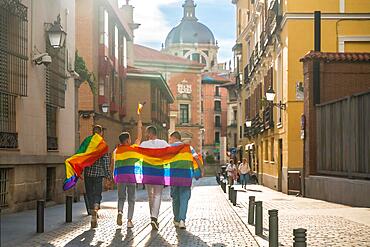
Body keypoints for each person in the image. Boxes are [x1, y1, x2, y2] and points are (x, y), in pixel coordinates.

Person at [169, 131, 204, 229]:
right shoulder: (188, 148)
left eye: (170, 139)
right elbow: (196, 158)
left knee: (175, 198)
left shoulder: (170, 148)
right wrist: (202, 170)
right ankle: (182, 220)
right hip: (185, 176)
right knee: (184, 198)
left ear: (174, 138)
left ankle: (176, 219)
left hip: (174, 176)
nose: (170, 141)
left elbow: (163, 160)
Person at [113, 114, 142, 228]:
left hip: (120, 177)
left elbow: (114, 163)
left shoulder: (117, 150)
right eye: (130, 138)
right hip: (131, 177)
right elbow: (139, 139)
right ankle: (129, 220)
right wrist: (139, 125)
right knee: (131, 199)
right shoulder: (133, 149)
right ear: (128, 140)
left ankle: (120, 211)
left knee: (121, 197)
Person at [139, 126, 169, 230]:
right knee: (158, 195)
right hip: (158, 172)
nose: (146, 135)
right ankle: (154, 217)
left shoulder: (143, 144)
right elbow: (171, 152)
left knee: (150, 196)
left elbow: (139, 156)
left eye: (147, 133)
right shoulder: (163, 143)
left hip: (147, 172)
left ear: (150, 133)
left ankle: (152, 215)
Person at [84, 125, 113, 228]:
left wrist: (78, 171)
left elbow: (82, 157)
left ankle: (92, 212)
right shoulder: (103, 145)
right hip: (98, 174)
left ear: (92, 132)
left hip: (88, 173)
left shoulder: (88, 143)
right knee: (97, 193)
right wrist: (108, 176)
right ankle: (96, 208)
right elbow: (105, 162)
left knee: (89, 193)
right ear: (101, 133)